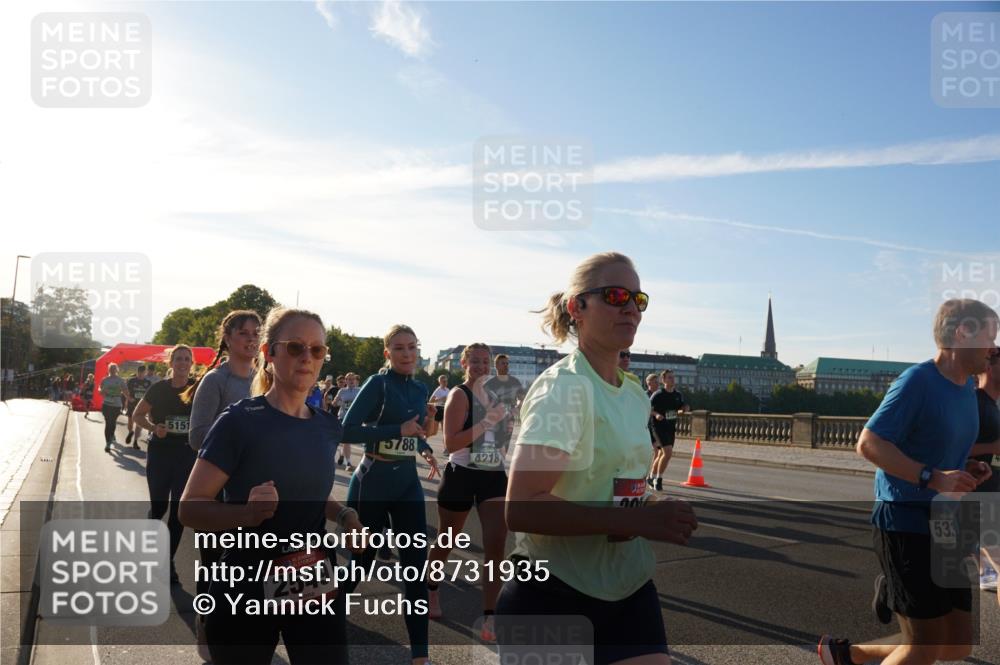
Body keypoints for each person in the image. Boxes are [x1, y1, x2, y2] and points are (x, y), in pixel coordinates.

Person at [497, 252, 697, 665]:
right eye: (616, 296)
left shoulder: (634, 392)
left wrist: (655, 506)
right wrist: (634, 522)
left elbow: (618, 486)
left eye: (638, 299)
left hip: (628, 587)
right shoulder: (564, 389)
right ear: (577, 308)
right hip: (553, 593)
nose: (630, 308)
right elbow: (521, 508)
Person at [819, 298, 998, 665]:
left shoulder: (966, 388)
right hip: (906, 521)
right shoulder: (918, 381)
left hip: (949, 524)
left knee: (956, 645)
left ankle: (847, 654)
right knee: (924, 647)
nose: (993, 347)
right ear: (962, 333)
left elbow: (938, 448)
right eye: (990, 336)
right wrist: (933, 477)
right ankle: (895, 587)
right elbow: (868, 443)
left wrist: (966, 467)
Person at [179, 307, 361, 665]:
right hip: (246, 579)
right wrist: (246, 514)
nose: (307, 357)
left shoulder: (327, 426)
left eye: (317, 350)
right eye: (295, 347)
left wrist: (344, 515)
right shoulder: (238, 422)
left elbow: (309, 490)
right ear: (269, 354)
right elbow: (189, 508)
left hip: (312, 574)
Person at [341, 324, 440, 665]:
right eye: (399, 348)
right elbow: (346, 430)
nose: (407, 354)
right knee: (361, 563)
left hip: (407, 483)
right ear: (387, 353)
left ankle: (420, 656)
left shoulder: (420, 387)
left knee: (415, 570)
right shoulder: (377, 384)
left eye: (412, 347)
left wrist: (426, 447)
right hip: (372, 481)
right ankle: (328, 612)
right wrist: (397, 429)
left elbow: (416, 431)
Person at [183, 309, 261, 662]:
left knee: (249, 567)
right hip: (215, 492)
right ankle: (206, 624)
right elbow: (196, 436)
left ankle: (243, 632)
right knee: (215, 568)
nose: (251, 339)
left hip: (255, 491)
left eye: (256, 333)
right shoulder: (216, 381)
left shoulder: (264, 380)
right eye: (243, 332)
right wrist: (238, 450)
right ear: (227, 338)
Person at [426, 344, 509, 641]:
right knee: (447, 540)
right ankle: (431, 588)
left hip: (493, 475)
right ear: (463, 363)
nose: (481, 367)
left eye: (486, 362)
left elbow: (502, 437)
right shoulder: (458, 395)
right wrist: (487, 421)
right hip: (461, 474)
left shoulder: (497, 396)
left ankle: (490, 615)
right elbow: (451, 443)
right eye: (475, 361)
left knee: (496, 545)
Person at [132, 346, 197, 583]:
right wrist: (153, 428)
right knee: (159, 508)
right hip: (160, 453)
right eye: (178, 359)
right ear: (171, 363)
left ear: (192, 363)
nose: (182, 363)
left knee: (179, 512)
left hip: (187, 455)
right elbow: (137, 415)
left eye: (186, 359)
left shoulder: (198, 388)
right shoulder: (159, 389)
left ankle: (167, 562)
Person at [969, 346, 1000, 591]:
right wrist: (992, 446)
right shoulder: (974, 403)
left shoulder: (992, 405)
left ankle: (986, 574)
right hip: (979, 494)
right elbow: (951, 449)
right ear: (989, 367)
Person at [648, 370, 688, 491]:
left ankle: (651, 477)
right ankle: (658, 479)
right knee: (668, 453)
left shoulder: (678, 395)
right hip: (658, 427)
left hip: (670, 427)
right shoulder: (658, 394)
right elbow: (648, 408)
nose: (672, 380)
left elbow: (680, 407)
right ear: (663, 380)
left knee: (662, 454)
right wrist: (656, 414)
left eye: (673, 377)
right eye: (669, 378)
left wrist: (684, 408)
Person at [484, 355, 521, 452]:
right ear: (496, 366)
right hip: (494, 419)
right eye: (503, 363)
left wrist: (516, 408)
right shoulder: (489, 384)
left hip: (509, 419)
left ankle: (501, 460)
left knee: (505, 447)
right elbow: (483, 402)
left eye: (507, 363)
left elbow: (522, 399)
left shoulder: (515, 382)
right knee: (495, 446)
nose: (506, 365)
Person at [333, 373, 361, 470]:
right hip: (343, 417)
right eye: (349, 379)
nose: (351, 381)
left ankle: (342, 453)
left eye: (353, 379)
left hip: (355, 418)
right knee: (347, 440)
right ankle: (348, 463)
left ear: (355, 380)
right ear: (346, 381)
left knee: (347, 440)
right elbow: (334, 403)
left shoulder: (360, 390)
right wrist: (340, 403)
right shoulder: (342, 391)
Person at [98, 364, 127, 452]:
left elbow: (125, 390)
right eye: (111, 369)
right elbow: (99, 389)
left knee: (112, 422)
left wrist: (129, 399)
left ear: (117, 370)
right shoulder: (105, 380)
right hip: (106, 403)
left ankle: (111, 435)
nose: (112, 370)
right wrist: (101, 391)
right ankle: (108, 443)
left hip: (116, 404)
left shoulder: (120, 380)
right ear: (108, 370)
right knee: (108, 423)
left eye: (114, 369)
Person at [125, 365, 153, 449]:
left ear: (145, 373)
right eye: (140, 372)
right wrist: (129, 399)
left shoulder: (148, 382)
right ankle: (130, 432)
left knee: (139, 423)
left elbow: (150, 394)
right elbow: (125, 391)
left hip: (142, 405)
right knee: (130, 421)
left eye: (143, 372)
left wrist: (150, 405)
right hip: (132, 403)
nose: (141, 374)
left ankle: (135, 441)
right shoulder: (131, 381)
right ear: (137, 372)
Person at [427, 375, 450, 439]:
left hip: (445, 409)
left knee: (445, 431)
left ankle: (446, 445)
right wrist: (441, 399)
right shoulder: (438, 390)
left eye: (446, 381)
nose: (445, 382)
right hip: (438, 409)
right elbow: (431, 400)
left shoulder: (448, 390)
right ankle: (423, 438)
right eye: (443, 381)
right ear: (440, 382)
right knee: (434, 432)